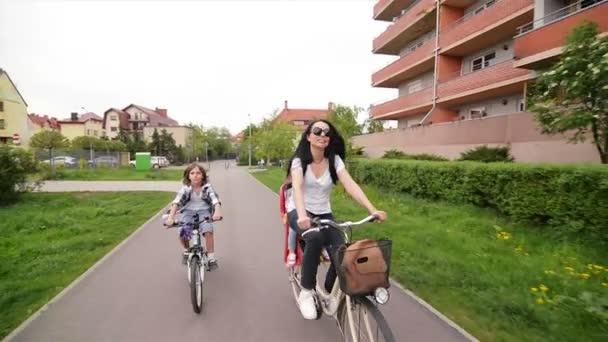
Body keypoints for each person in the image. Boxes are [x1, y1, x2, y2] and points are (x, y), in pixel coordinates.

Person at [285, 119, 387, 320]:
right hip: (299, 211)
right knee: (314, 238)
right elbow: (296, 187)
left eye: (327, 132)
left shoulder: (334, 161)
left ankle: (329, 294)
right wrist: (303, 215)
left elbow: (351, 185)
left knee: (343, 252)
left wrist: (372, 209)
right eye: (317, 131)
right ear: (308, 136)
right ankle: (306, 291)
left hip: (323, 213)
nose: (323, 134)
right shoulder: (300, 161)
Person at [166, 163, 223, 268]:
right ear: (188, 176)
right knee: (183, 231)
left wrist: (217, 212)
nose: (195, 175)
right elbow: (177, 202)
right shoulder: (185, 188)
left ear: (203, 176)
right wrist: (171, 218)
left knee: (208, 230)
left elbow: (215, 200)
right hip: (188, 211)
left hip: (204, 211)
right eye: (192, 173)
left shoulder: (207, 187)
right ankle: (186, 250)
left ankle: (211, 258)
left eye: (198, 173)